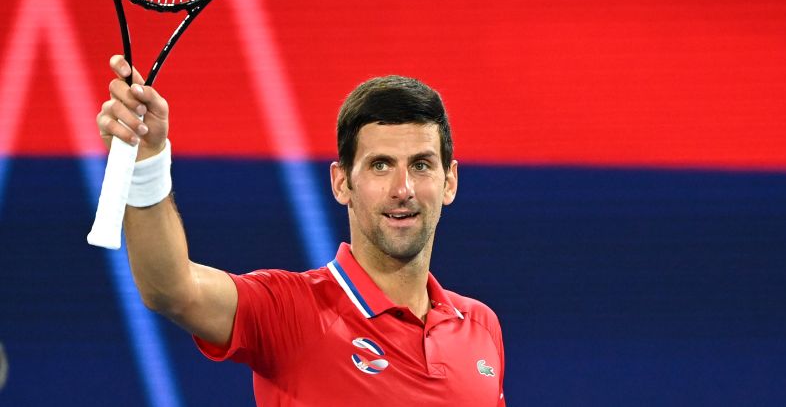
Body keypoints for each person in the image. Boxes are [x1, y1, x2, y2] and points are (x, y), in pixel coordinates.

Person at [97, 55, 506, 406]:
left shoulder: (481, 327)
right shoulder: (289, 311)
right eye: (380, 165)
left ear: (449, 181)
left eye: (421, 165)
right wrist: (146, 161)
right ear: (342, 182)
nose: (403, 189)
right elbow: (170, 287)